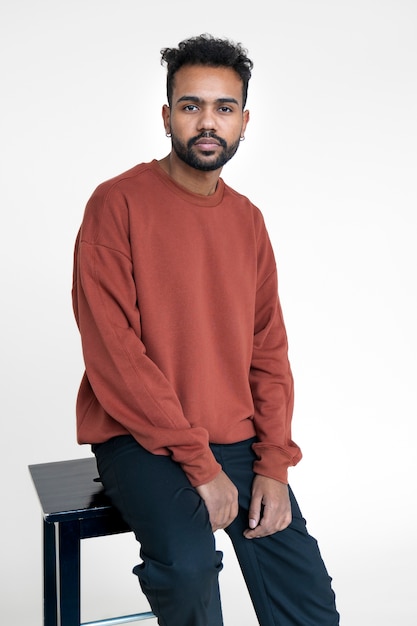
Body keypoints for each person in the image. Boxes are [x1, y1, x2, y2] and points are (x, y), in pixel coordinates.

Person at [72, 34, 339, 626]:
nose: (208, 122)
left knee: (310, 601)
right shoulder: (116, 205)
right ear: (167, 116)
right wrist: (200, 465)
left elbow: (268, 351)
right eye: (191, 106)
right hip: (138, 437)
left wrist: (273, 463)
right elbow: (116, 355)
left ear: (244, 120)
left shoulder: (247, 221)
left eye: (224, 108)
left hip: (236, 438)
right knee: (191, 571)